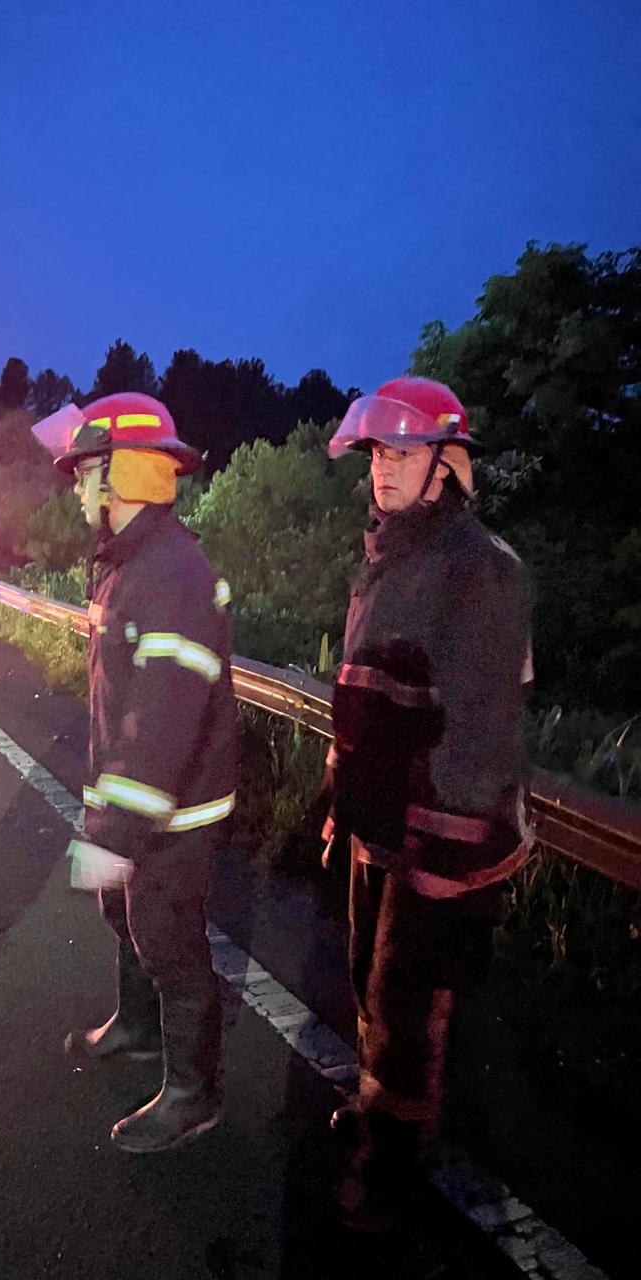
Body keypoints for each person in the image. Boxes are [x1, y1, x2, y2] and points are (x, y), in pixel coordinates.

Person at [323, 376, 533, 1229]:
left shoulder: (479, 571)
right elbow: (371, 699)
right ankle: (378, 1119)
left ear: (447, 465)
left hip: (438, 844)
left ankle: (393, 1180)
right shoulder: (391, 556)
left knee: (412, 1015)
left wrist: (435, 857)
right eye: (377, 452)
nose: (384, 469)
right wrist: (347, 803)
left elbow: (479, 734)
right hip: (382, 829)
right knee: (372, 995)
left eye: (404, 452)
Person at [32, 393, 238, 1153]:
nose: (78, 489)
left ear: (120, 478)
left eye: (86, 473)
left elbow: (161, 725)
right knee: (126, 919)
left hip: (172, 812)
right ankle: (138, 1029)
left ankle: (193, 1094)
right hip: (138, 802)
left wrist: (113, 831)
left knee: (170, 941)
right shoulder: (131, 562)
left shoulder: (170, 575)